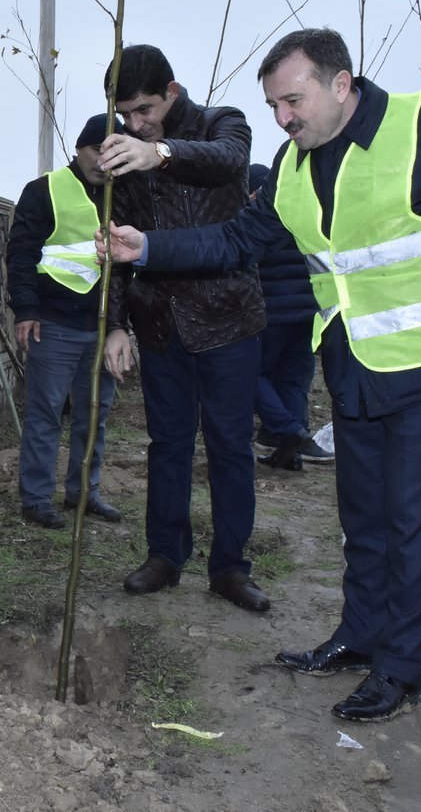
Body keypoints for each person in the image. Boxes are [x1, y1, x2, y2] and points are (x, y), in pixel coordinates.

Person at [98, 28, 421, 721]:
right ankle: (360, 637)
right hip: (353, 368)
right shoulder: (293, 165)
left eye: (292, 100)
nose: (283, 118)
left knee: (414, 521)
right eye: (273, 105)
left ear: (341, 82)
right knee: (363, 518)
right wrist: (148, 245)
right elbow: (238, 238)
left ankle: (399, 669)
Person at [96, 44, 270, 613]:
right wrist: (117, 325)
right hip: (161, 325)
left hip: (228, 321)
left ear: (171, 93)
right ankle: (165, 556)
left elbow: (225, 158)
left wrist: (158, 152)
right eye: (126, 115)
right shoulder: (121, 151)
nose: (135, 124)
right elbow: (121, 242)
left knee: (229, 447)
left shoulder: (222, 123)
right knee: (167, 446)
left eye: (144, 110)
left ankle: (229, 567)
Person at [6, 113, 132, 529]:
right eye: (98, 149)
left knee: (94, 414)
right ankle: (37, 498)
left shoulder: (124, 193)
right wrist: (25, 311)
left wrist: (121, 326)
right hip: (53, 324)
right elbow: (21, 254)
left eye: (112, 151)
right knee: (45, 415)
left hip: (102, 329)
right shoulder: (45, 190)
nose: (103, 160)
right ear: (79, 148)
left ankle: (84, 494)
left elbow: (128, 270)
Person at [248, 163, 334, 470]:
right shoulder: (300, 211)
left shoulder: (259, 219)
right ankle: (290, 454)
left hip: (271, 313)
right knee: (293, 379)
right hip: (306, 312)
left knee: (253, 374)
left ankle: (288, 431)